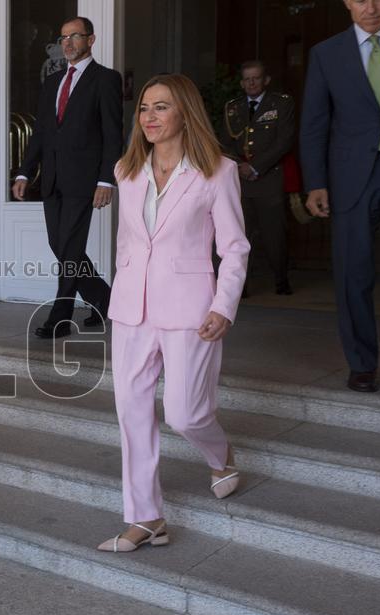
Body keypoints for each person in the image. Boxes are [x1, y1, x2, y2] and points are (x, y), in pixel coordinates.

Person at [97, 74, 249, 552]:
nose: (150, 117)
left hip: (190, 309)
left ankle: (220, 453)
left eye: (161, 107)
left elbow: (235, 247)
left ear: (184, 112)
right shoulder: (127, 170)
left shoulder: (217, 172)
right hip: (131, 309)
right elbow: (127, 241)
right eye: (144, 109)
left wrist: (223, 305)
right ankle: (146, 518)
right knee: (132, 412)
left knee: (185, 413)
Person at [300, 0, 380, 393]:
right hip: (351, 174)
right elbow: (314, 122)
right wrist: (316, 182)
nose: (370, 7)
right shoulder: (326, 53)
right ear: (346, 3)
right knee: (352, 271)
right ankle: (361, 363)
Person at [12, 16, 123, 339]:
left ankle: (60, 317)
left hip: (84, 180)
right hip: (52, 179)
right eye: (64, 38)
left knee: (70, 247)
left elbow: (113, 134)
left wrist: (106, 180)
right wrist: (24, 171)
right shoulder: (52, 82)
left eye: (75, 36)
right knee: (60, 244)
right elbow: (41, 134)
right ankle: (103, 297)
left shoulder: (106, 79)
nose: (68, 43)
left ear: (91, 40)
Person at [219, 60, 295, 296]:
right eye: (247, 79)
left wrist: (256, 166)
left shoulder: (281, 104)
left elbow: (285, 141)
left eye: (256, 78)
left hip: (269, 180)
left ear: (266, 80)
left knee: (275, 235)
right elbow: (223, 142)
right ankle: (240, 287)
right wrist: (240, 165)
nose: (252, 83)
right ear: (242, 83)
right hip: (240, 182)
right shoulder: (233, 107)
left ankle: (281, 280)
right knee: (240, 237)